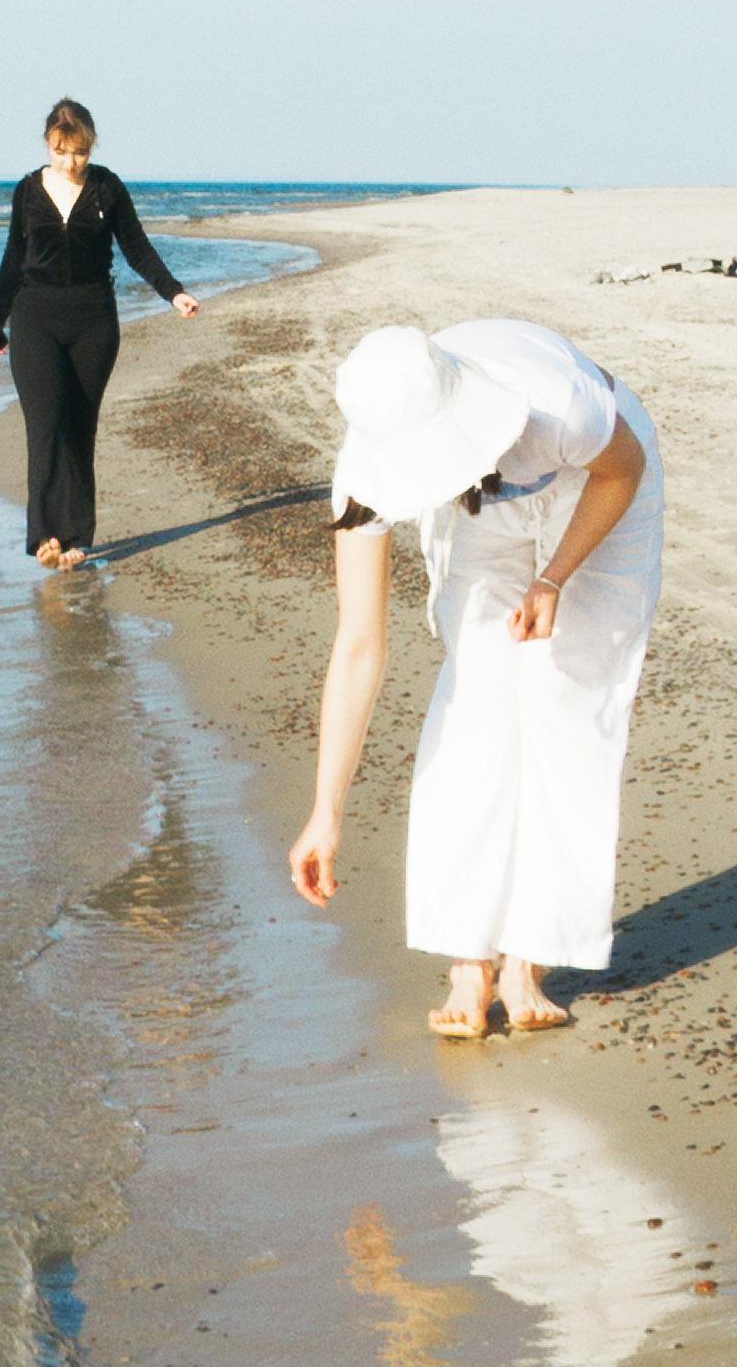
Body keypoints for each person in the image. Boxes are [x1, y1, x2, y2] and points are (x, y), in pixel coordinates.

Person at [288, 319, 662, 1037]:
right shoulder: (363, 477)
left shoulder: (562, 403)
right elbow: (360, 643)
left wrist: (554, 577)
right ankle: (469, 958)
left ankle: (529, 958)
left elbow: (624, 469)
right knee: (476, 705)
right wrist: (324, 813)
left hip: (598, 479)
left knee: (570, 703)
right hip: (484, 507)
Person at [0, 100, 198, 570]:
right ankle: (43, 535)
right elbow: (13, 258)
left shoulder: (106, 188)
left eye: (78, 152)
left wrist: (173, 292)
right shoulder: (27, 191)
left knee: (80, 427)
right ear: (48, 145)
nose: (69, 162)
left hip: (93, 322)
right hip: (34, 319)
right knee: (45, 425)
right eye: (60, 152)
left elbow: (136, 247)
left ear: (91, 146)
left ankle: (77, 535)